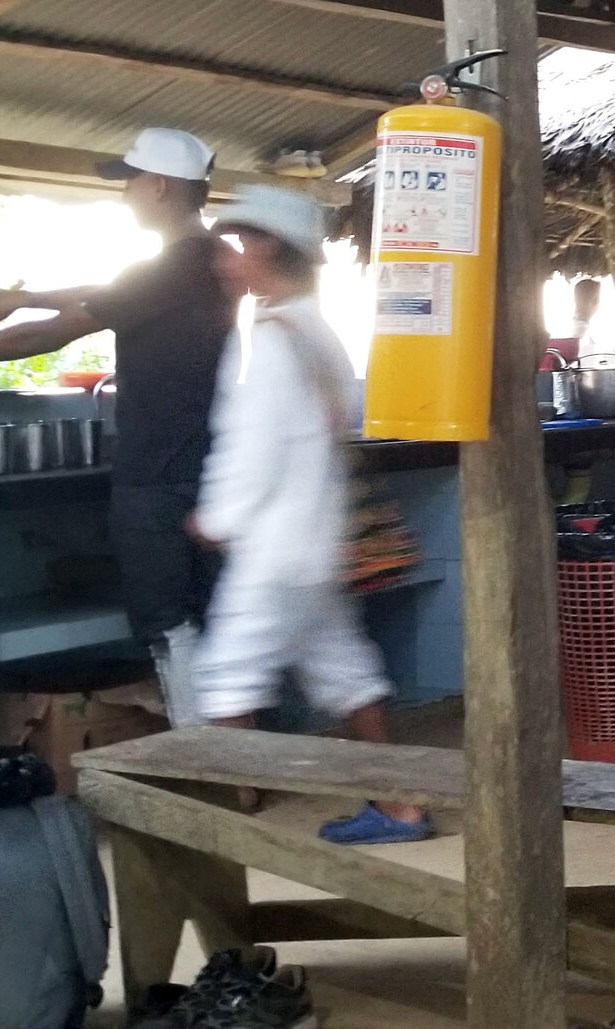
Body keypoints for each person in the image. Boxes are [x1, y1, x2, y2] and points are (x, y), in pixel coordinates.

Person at [0, 128, 236, 727]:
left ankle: (213, 763)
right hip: (202, 463)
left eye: (129, 182)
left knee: (171, 626)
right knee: (207, 620)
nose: (124, 197)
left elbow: (52, 335)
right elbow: (110, 293)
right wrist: (28, 295)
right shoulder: (207, 258)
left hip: (160, 470)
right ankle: (233, 764)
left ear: (159, 187)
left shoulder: (173, 264)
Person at [188, 187, 429, 845]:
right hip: (321, 541)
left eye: (237, 246)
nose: (225, 261)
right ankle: (400, 805)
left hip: (275, 547)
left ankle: (224, 836)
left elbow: (251, 444)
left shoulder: (266, 340)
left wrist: (216, 516)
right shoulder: (317, 331)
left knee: (224, 682)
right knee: (349, 674)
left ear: (268, 247)